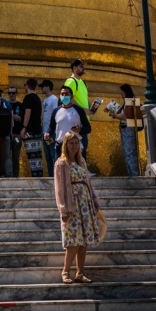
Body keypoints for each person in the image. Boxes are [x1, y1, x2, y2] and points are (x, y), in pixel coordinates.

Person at [54, 131, 101, 285]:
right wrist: (63, 209)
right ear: (65, 145)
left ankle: (80, 273)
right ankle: (65, 271)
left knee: (84, 241)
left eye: (76, 143)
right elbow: (60, 188)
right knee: (73, 241)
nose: (74, 146)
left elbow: (88, 182)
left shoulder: (82, 161)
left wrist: (94, 199)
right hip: (72, 205)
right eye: (71, 143)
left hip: (85, 204)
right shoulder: (62, 163)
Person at [63, 59, 100, 157]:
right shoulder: (71, 81)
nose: (83, 68)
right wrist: (83, 111)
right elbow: (67, 99)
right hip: (76, 122)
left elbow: (83, 99)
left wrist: (91, 108)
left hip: (83, 121)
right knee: (76, 152)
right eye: (81, 66)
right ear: (74, 68)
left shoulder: (83, 83)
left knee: (82, 151)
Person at [115, 84, 141, 177]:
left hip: (128, 129)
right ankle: (130, 173)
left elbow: (125, 117)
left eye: (122, 92)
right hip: (124, 129)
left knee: (130, 152)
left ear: (126, 92)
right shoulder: (125, 103)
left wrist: (114, 115)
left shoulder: (130, 102)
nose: (121, 94)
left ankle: (134, 174)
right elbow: (119, 111)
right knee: (127, 152)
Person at [20, 78, 43, 177]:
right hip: (37, 130)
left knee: (32, 157)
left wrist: (24, 127)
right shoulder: (37, 98)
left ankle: (36, 177)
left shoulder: (28, 98)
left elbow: (28, 112)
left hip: (30, 131)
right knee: (37, 157)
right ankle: (39, 176)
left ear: (27, 86)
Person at [53, 86, 81, 160]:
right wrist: (47, 134)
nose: (64, 96)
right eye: (62, 94)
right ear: (59, 96)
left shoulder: (78, 110)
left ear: (71, 96)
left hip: (74, 147)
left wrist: (80, 129)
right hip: (60, 146)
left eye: (67, 94)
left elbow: (88, 128)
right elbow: (51, 127)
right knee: (59, 166)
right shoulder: (56, 111)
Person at [40, 79, 58, 176]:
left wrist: (51, 131)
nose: (41, 89)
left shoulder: (54, 99)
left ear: (47, 87)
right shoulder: (45, 100)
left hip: (52, 133)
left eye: (42, 87)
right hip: (44, 132)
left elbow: (56, 115)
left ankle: (56, 176)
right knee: (47, 157)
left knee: (53, 156)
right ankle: (51, 176)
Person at [6, 86, 24, 177]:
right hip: (7, 134)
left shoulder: (20, 106)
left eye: (13, 93)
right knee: (6, 157)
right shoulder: (6, 105)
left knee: (16, 158)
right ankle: (8, 176)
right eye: (10, 93)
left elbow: (24, 119)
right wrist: (12, 117)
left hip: (17, 134)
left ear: (17, 94)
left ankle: (16, 176)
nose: (11, 95)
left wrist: (19, 118)